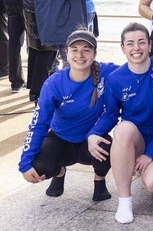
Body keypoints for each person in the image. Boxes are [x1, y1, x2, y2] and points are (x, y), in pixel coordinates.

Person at [18, 29, 118, 201]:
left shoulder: (105, 72)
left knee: (111, 150)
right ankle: (59, 172)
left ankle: (99, 179)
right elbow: (38, 124)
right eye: (74, 49)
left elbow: (136, 65)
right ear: (65, 53)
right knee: (40, 166)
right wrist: (24, 164)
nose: (80, 55)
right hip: (60, 138)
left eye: (86, 49)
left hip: (90, 139)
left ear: (94, 53)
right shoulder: (54, 83)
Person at [88, 22, 153, 224]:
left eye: (142, 42)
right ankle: (124, 201)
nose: (136, 48)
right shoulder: (116, 79)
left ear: (150, 45)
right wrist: (93, 134)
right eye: (130, 44)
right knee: (123, 129)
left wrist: (150, 154)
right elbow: (110, 114)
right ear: (122, 47)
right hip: (137, 138)